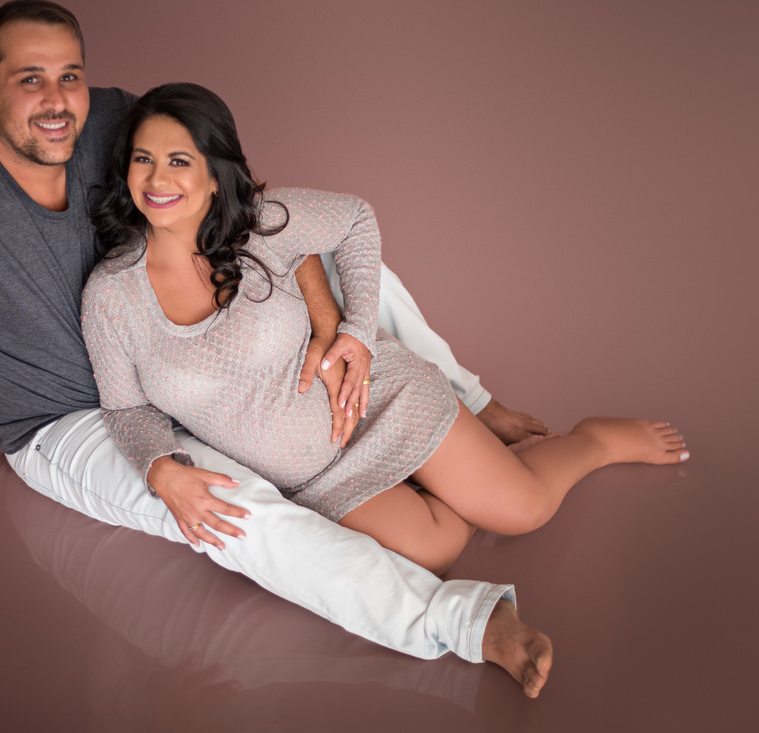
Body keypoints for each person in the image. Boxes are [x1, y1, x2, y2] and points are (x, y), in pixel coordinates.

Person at [0, 0, 554, 696]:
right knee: (232, 511)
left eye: (70, 75)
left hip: (182, 355)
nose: (56, 101)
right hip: (72, 417)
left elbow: (249, 208)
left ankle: (470, 403)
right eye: (28, 79)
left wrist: (327, 320)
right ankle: (467, 624)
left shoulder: (112, 121)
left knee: (357, 267)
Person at [81, 83, 690, 604]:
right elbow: (126, 409)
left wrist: (354, 333)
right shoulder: (110, 295)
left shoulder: (259, 224)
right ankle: (465, 469)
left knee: (522, 510)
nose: (157, 179)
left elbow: (355, 220)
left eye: (179, 160)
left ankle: (592, 441)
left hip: (379, 403)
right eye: (143, 159)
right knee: (435, 551)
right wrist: (161, 469)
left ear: (215, 176)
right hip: (316, 477)